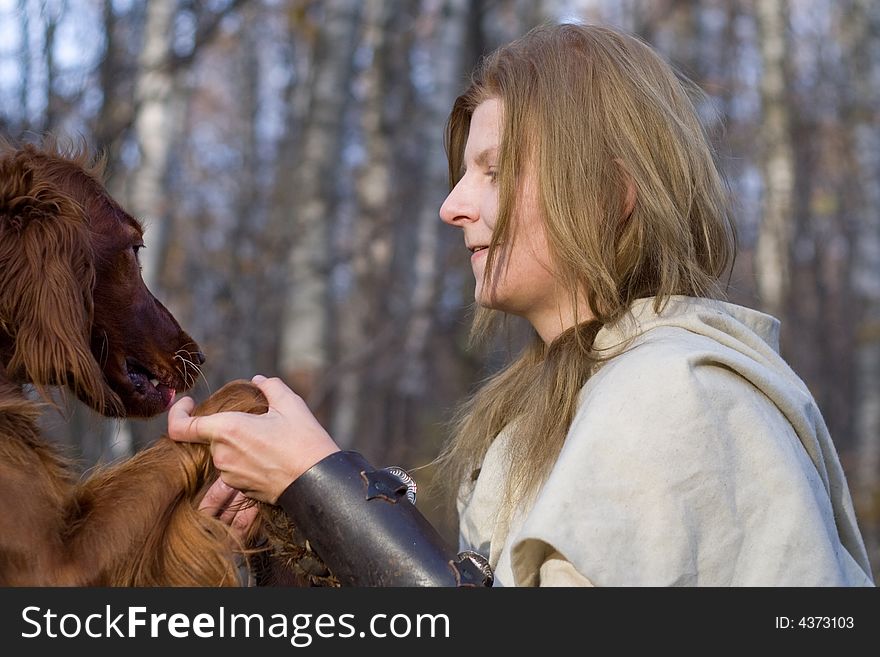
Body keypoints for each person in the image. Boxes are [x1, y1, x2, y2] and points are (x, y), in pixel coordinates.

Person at [169, 23, 874, 587]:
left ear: (609, 193)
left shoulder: (676, 395)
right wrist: (299, 530)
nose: (452, 206)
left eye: (495, 171)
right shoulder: (549, 414)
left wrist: (320, 483)